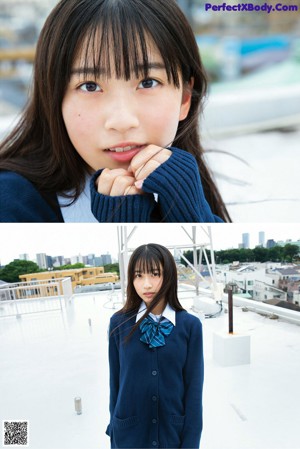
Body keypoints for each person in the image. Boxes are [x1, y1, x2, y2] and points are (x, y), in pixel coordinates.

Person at [0, 0, 230, 223]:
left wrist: (194, 215)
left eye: (148, 82)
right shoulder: (10, 204)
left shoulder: (187, 185)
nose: (122, 121)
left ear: (185, 98)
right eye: (89, 86)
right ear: (54, 99)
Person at [107, 243, 204, 449]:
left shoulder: (190, 326)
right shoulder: (119, 323)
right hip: (129, 436)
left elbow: (194, 393)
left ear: (168, 275)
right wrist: (114, 432)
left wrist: (191, 443)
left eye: (155, 274)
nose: (147, 284)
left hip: (173, 435)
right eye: (138, 276)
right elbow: (115, 383)